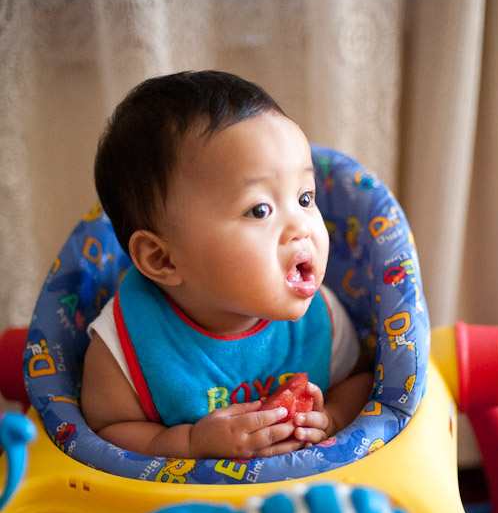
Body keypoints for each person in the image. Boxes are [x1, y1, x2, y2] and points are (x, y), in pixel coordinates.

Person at [81, 71, 373, 460]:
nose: (301, 227)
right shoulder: (124, 343)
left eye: (305, 198)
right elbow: (106, 431)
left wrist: (332, 417)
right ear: (163, 258)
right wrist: (190, 443)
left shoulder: (323, 317)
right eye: (259, 210)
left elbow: (359, 381)